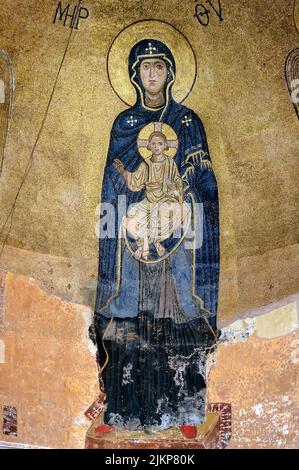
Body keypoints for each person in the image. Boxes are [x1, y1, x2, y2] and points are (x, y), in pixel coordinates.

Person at [90, 39, 220, 437]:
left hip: (178, 240)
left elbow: (205, 180)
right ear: (133, 74)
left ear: (170, 72)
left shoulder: (187, 122)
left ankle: (184, 413)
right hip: (136, 242)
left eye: (158, 66)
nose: (151, 73)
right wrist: (124, 187)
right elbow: (115, 184)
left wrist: (185, 195)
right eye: (144, 66)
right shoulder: (125, 126)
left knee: (177, 315)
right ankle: (121, 411)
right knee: (129, 319)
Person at [114, 130, 190, 260]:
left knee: (182, 210)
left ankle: (145, 243)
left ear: (165, 145)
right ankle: (152, 242)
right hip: (149, 202)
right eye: (153, 143)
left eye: (160, 143)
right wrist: (123, 172)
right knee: (130, 216)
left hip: (166, 200)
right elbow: (135, 181)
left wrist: (175, 188)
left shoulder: (170, 163)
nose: (156, 146)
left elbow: (177, 181)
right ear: (148, 146)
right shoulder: (146, 164)